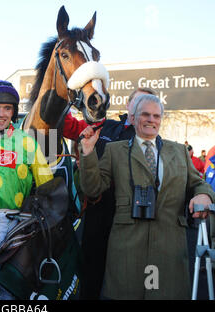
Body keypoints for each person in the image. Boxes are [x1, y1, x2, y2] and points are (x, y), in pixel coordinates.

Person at [79, 94, 215, 299]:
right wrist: (88, 153)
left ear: (161, 119)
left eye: (156, 115)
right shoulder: (114, 150)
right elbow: (93, 189)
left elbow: (198, 183)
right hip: (127, 249)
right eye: (145, 114)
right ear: (133, 118)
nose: (151, 120)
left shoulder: (179, 151)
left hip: (170, 248)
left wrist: (204, 195)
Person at [64, 87, 157, 299]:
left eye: (148, 103)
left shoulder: (153, 139)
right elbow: (69, 127)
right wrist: (63, 99)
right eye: (138, 100)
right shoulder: (104, 126)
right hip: (98, 209)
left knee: (128, 275)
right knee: (91, 272)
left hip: (132, 216)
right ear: (128, 105)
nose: (143, 106)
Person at [0, 80, 54, 300]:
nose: (1, 114)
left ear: (14, 111)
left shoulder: (28, 143)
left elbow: (48, 186)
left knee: (8, 292)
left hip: (16, 227)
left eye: (7, 108)